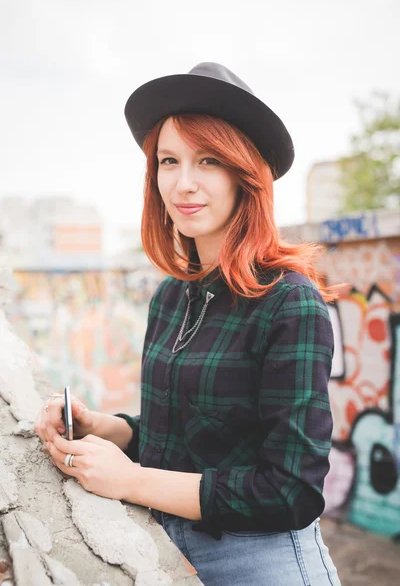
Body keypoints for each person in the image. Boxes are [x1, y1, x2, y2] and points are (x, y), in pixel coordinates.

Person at [35, 62, 341, 585]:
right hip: (166, 552)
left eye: (209, 160)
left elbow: (291, 491)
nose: (184, 183)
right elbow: (178, 443)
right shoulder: (171, 298)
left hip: (261, 563)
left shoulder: (290, 303)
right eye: (169, 160)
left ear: (246, 173)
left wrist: (130, 482)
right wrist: (102, 429)